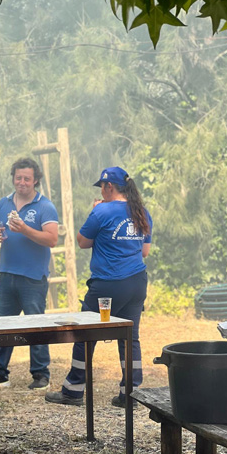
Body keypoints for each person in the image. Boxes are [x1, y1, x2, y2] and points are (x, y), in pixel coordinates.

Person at [45, 166, 152, 406]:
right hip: (137, 282)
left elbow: (83, 242)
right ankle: (131, 394)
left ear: (109, 186)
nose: (101, 192)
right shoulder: (141, 211)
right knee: (130, 336)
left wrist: (94, 211)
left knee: (85, 333)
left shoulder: (101, 210)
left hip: (108, 285)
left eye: (102, 187)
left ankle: (73, 391)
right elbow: (144, 251)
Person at [0, 157, 58, 391]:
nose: (22, 182)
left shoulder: (45, 206)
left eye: (27, 178)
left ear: (35, 180)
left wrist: (25, 229)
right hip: (7, 274)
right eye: (18, 178)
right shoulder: (4, 203)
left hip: (33, 277)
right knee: (3, 326)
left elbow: (52, 239)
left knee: (35, 326)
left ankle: (41, 374)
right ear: (13, 178)